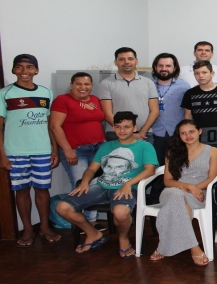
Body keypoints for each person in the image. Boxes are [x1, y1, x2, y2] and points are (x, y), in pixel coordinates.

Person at [56, 112, 158, 257]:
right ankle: (93, 233)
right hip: (101, 186)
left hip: (128, 188)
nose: (122, 131)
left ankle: (123, 237)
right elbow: (92, 168)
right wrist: (84, 182)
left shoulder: (144, 146)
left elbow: (150, 170)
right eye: (118, 127)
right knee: (62, 207)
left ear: (134, 128)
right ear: (114, 128)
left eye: (126, 127)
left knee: (120, 213)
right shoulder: (106, 146)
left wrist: (128, 184)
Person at [0, 54, 61, 246]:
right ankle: (27, 229)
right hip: (15, 152)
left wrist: (55, 149)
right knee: (22, 190)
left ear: (36, 70)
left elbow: (52, 125)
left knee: (43, 189)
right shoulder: (5, 93)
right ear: (13, 70)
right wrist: (2, 155)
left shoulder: (45, 93)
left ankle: (43, 227)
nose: (24, 71)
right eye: (19, 67)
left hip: (42, 150)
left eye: (29, 67)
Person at [149, 120, 217, 265]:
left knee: (177, 202)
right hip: (172, 191)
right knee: (176, 195)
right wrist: (189, 186)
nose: (188, 135)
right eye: (183, 133)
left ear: (199, 131)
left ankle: (162, 246)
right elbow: (168, 181)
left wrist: (196, 188)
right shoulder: (172, 152)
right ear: (179, 135)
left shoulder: (212, 151)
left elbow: (212, 177)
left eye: (191, 131)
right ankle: (194, 247)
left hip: (200, 193)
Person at [50, 72, 105, 231]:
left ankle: (92, 221)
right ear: (71, 85)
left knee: (94, 185)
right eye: (79, 84)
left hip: (97, 148)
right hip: (76, 151)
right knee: (81, 185)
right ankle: (83, 223)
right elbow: (55, 126)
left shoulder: (95, 100)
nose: (83, 87)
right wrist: (67, 150)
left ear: (92, 86)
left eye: (86, 84)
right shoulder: (62, 100)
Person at [181, 60, 217, 173]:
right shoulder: (190, 94)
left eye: (204, 72)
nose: (200, 76)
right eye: (197, 73)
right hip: (199, 139)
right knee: (202, 169)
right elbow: (187, 116)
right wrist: (188, 136)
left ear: (212, 73)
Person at [98, 47, 159, 143]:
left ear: (136, 61)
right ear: (115, 62)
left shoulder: (148, 82)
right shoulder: (106, 83)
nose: (126, 62)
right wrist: (129, 133)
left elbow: (155, 111)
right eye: (121, 59)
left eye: (130, 59)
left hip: (144, 134)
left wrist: (142, 132)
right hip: (116, 134)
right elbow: (107, 113)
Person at [151, 53, 191, 165]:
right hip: (154, 133)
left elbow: (188, 111)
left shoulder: (184, 86)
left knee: (177, 166)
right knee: (156, 167)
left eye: (168, 66)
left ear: (174, 68)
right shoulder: (147, 85)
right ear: (155, 67)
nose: (164, 69)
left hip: (177, 133)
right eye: (160, 66)